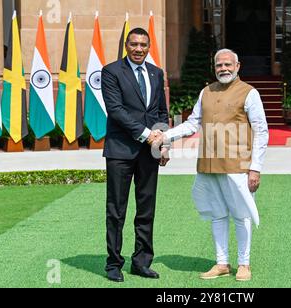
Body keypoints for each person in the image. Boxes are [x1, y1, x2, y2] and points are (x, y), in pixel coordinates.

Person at [157, 49, 269, 281]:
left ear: (238, 66)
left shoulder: (250, 93)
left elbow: (261, 131)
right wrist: (166, 136)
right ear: (214, 67)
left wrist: (255, 167)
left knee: (241, 216)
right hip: (208, 166)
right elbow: (192, 124)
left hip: (239, 166)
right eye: (219, 65)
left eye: (228, 64)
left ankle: (244, 264)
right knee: (217, 215)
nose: (224, 69)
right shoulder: (206, 92)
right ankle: (221, 263)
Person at [101, 27, 169, 282]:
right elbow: (116, 110)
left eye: (143, 45)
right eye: (134, 44)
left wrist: (162, 143)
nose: (139, 49)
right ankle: (113, 264)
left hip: (149, 153)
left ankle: (141, 262)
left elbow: (161, 113)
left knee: (146, 209)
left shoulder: (156, 72)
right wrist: (146, 134)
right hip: (120, 150)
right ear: (126, 46)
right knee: (116, 209)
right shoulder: (111, 71)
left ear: (148, 47)